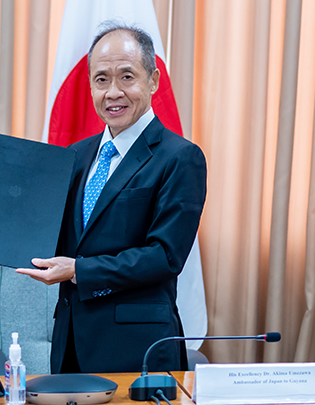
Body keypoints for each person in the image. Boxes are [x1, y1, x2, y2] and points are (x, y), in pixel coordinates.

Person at [16, 23, 207, 373]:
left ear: (153, 81)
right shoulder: (74, 156)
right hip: (71, 341)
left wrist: (78, 270)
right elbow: (52, 233)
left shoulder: (180, 157)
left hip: (138, 347)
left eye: (127, 77)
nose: (113, 92)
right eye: (101, 80)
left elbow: (164, 256)